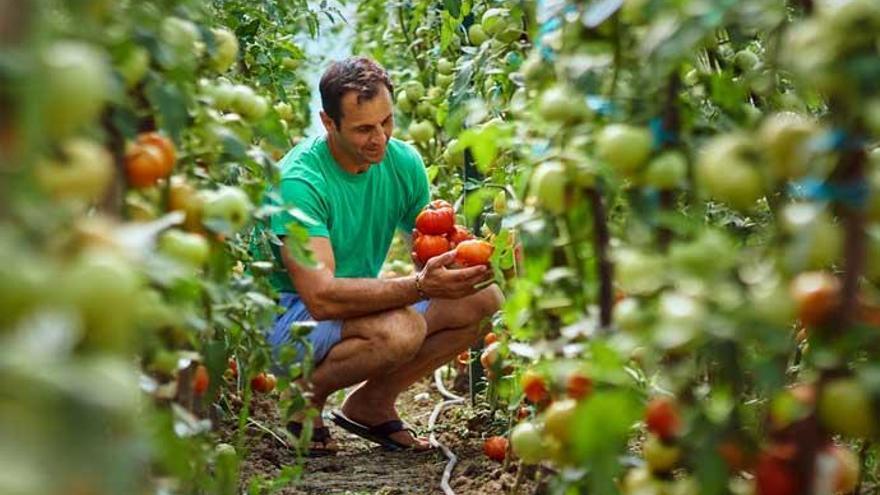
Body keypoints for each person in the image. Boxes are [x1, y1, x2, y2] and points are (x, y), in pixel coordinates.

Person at [258, 56, 503, 455]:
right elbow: (321, 298)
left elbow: (426, 253)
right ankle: (305, 396)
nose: (380, 139)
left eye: (386, 122)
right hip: (288, 316)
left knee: (480, 299)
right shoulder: (299, 183)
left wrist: (474, 258)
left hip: (347, 306)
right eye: (363, 129)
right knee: (400, 329)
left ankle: (371, 404)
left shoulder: (401, 162)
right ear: (328, 122)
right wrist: (421, 285)